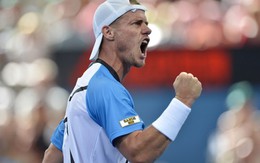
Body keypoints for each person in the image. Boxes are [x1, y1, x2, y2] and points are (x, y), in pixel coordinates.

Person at [42, 0, 202, 162]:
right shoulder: (104, 88)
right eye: (136, 23)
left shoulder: (87, 85)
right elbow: (139, 153)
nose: (147, 29)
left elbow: (52, 155)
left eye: (146, 23)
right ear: (108, 32)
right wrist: (182, 101)